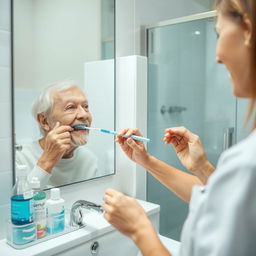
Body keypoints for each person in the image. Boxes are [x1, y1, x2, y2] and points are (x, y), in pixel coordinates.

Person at [102, 0, 256, 255]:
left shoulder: (248, 161)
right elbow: (221, 201)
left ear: (248, 31)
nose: (217, 56)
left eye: (219, 34)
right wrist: (196, 166)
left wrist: (140, 229)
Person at [16, 81, 99, 188]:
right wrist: (47, 161)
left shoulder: (89, 159)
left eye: (86, 106)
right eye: (70, 107)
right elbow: (18, 203)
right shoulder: (20, 159)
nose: (84, 115)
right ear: (44, 121)